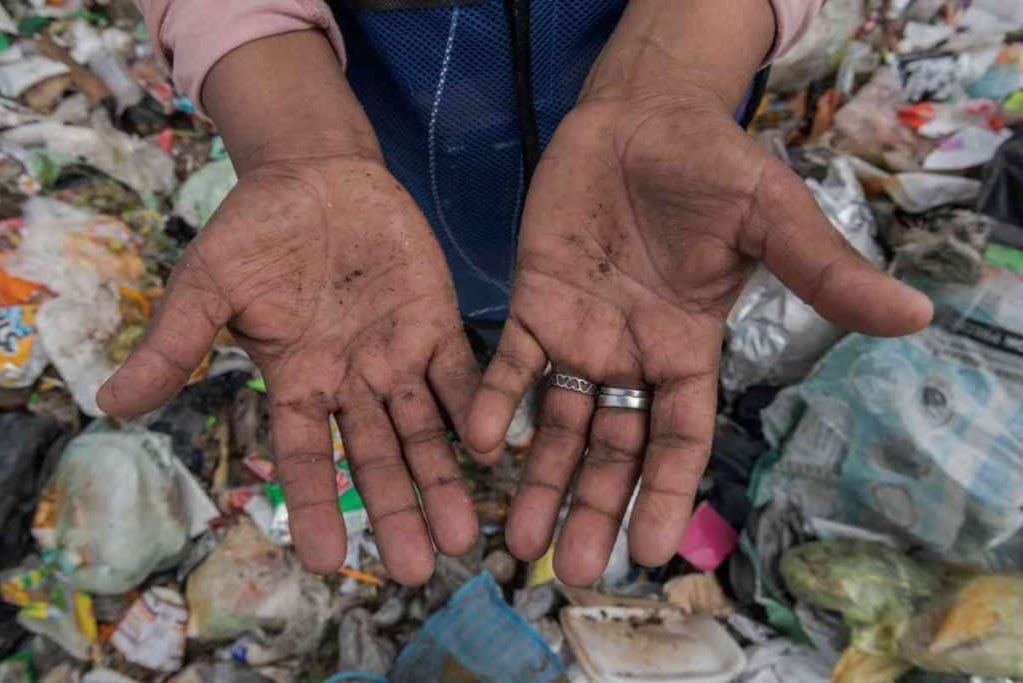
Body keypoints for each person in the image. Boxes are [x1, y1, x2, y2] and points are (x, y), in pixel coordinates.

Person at [101, 0, 934, 587]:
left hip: (654, 147)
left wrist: (673, 74)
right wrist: (296, 141)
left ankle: (511, 342)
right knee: (441, 293)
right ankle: (486, 331)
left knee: (558, 310)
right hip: (384, 140)